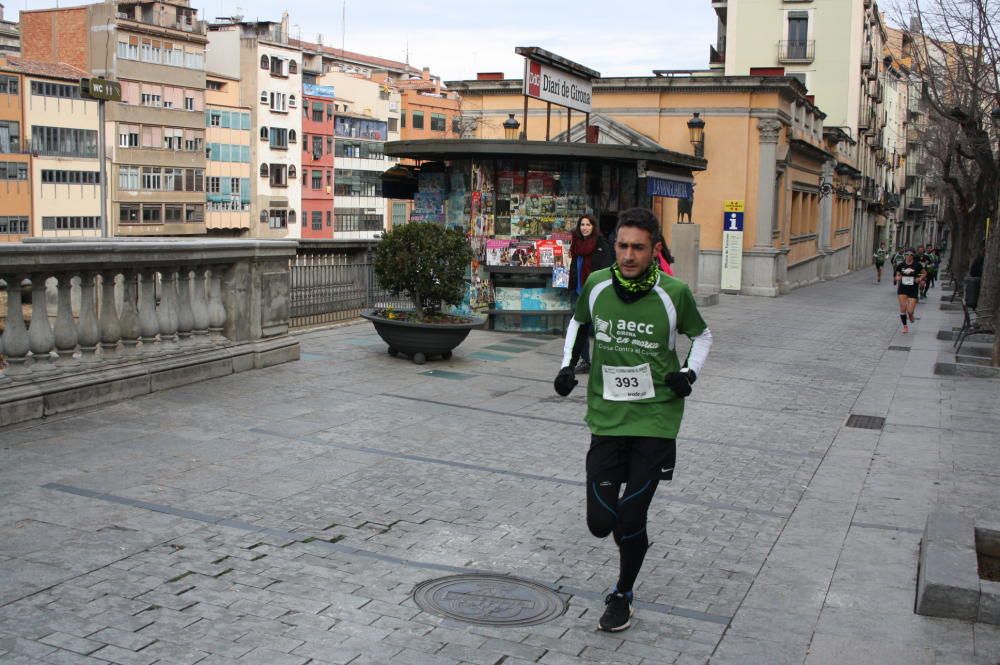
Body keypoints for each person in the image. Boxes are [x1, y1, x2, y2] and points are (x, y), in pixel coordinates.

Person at [553, 207, 713, 632]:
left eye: (638, 247)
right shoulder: (597, 283)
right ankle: (629, 545)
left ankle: (621, 594)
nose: (627, 255)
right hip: (606, 418)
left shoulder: (674, 292)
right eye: (622, 245)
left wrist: (689, 373)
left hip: (656, 420)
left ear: (654, 249)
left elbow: (702, 335)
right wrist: (567, 366)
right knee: (600, 523)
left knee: (630, 516)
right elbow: (578, 323)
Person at [568, 213, 614, 373]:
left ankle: (605, 360)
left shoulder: (601, 243)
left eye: (588, 225)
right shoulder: (576, 244)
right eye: (582, 225)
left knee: (600, 327)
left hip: (595, 292)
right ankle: (585, 360)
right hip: (579, 291)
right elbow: (574, 266)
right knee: (581, 326)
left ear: (593, 226)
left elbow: (606, 267)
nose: (585, 228)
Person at [894, 249, 926, 333]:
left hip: (913, 289)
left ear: (913, 256)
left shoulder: (917, 265)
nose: (908, 256)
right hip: (902, 289)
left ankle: (911, 315)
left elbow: (924, 273)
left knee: (910, 311)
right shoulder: (901, 265)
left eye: (911, 254)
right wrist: (898, 278)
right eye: (907, 254)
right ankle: (905, 326)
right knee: (903, 308)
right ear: (905, 255)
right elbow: (897, 276)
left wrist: (920, 278)